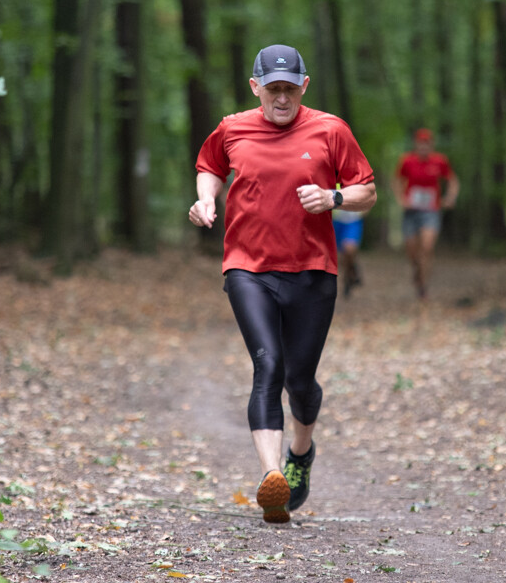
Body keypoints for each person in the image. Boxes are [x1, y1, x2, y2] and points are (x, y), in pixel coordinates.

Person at [188, 44, 377, 524]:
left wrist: (333, 196)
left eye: (290, 88)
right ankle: (272, 477)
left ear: (303, 86)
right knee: (267, 365)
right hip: (247, 266)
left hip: (312, 271)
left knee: (301, 382)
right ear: (256, 88)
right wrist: (206, 200)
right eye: (273, 89)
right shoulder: (232, 128)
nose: (282, 97)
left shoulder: (331, 130)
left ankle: (300, 453)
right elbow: (210, 166)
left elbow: (367, 191)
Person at [393, 127, 458, 299]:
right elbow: (398, 181)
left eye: (426, 143)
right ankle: (417, 270)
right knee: (412, 250)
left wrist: (450, 198)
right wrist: (401, 199)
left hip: (431, 211)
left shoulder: (440, 161)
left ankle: (423, 285)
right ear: (416, 144)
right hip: (411, 211)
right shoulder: (407, 161)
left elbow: (452, 181)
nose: (423, 147)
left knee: (427, 247)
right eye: (420, 143)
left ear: (431, 145)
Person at [332, 205, 364, 297]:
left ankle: (350, 275)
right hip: (336, 220)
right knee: (343, 256)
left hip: (354, 220)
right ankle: (350, 276)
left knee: (349, 249)